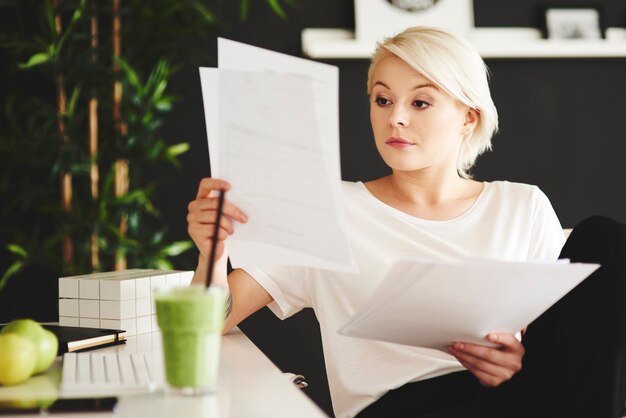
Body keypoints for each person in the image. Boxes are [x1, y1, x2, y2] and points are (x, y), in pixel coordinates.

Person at [187, 26, 626, 418]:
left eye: (420, 102)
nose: (395, 117)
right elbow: (204, 330)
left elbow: (564, 352)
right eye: (382, 99)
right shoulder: (331, 208)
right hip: (398, 407)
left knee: (603, 238)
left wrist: (515, 360)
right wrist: (213, 252)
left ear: (467, 117)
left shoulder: (522, 205)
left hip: (509, 400)